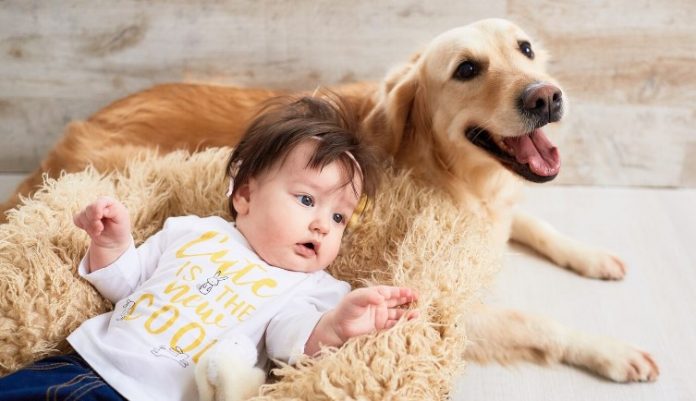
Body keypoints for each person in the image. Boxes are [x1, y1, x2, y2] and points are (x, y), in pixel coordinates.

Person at [0, 96, 418, 401]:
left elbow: (292, 341)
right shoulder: (194, 232)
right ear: (246, 195)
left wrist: (338, 325)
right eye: (307, 200)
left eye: (339, 217)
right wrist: (112, 242)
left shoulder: (309, 288)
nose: (322, 225)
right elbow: (127, 284)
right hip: (81, 361)